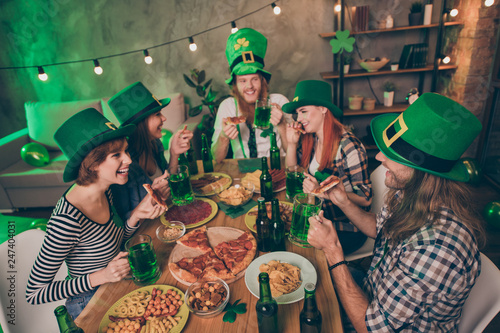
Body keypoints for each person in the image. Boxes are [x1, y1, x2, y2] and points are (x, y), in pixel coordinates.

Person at [307, 92, 486, 332]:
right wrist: (344, 202)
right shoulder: (412, 192)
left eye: (392, 153)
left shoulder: (439, 248)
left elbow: (371, 328)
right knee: (307, 279)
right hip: (374, 290)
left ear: (421, 168)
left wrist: (333, 251)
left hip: (374, 323)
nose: (379, 157)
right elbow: (379, 229)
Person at [26, 108, 167, 319]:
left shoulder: (105, 190)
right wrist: (100, 276)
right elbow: (34, 292)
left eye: (126, 151)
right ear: (92, 163)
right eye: (117, 155)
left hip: (117, 284)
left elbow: (112, 243)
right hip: (88, 303)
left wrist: (136, 215)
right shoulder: (67, 220)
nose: (128, 160)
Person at [282, 80, 372, 254]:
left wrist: (324, 192)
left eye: (303, 111)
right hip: (319, 217)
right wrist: (292, 144)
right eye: (297, 113)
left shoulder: (349, 146)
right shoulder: (312, 138)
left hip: (347, 227)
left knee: (294, 248)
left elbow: (366, 198)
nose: (298, 119)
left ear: (323, 109)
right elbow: (293, 174)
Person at [108, 82, 193, 219]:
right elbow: (122, 219)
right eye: (158, 114)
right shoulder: (123, 165)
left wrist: (174, 153)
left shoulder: (155, 143)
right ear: (141, 123)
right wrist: (152, 197)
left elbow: (168, 182)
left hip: (168, 216)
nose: (164, 118)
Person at [211, 28, 291, 163]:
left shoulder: (280, 101)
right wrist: (224, 137)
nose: (249, 86)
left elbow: (293, 152)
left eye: (254, 79)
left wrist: (282, 124)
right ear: (235, 85)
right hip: (243, 174)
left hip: (278, 169)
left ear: (263, 81)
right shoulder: (228, 107)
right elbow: (216, 158)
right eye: (243, 81)